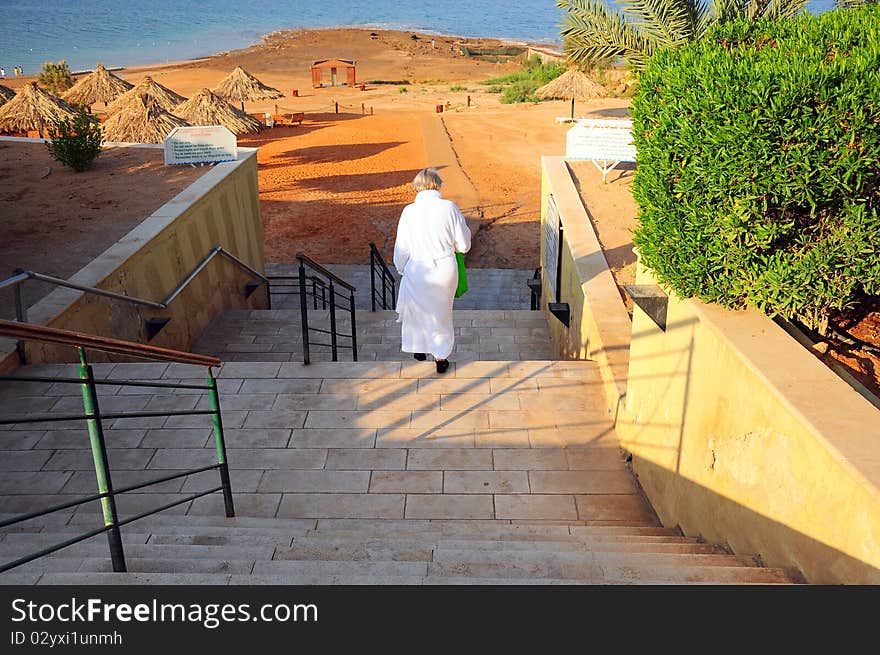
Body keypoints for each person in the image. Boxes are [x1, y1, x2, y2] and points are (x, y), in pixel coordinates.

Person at [393, 167, 471, 374]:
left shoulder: (409, 211)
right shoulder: (450, 208)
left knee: (418, 311)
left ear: (417, 187)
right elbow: (463, 245)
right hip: (444, 269)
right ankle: (440, 356)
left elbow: (402, 248)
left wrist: (402, 269)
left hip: (417, 270)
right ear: (437, 184)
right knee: (441, 314)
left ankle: (419, 348)